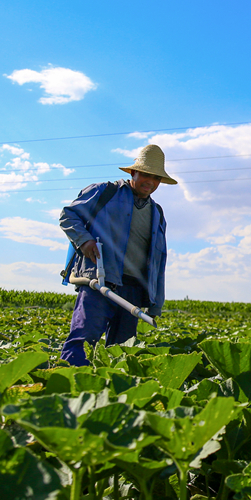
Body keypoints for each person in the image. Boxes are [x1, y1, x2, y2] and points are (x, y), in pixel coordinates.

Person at [58, 144, 176, 366]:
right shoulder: (105, 192)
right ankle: (67, 381)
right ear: (134, 173)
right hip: (99, 283)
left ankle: (109, 387)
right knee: (82, 342)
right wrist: (84, 240)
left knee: (121, 353)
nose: (150, 182)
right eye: (146, 175)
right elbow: (68, 216)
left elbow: (159, 261)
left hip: (133, 291)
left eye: (156, 178)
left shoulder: (157, 213)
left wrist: (155, 303)